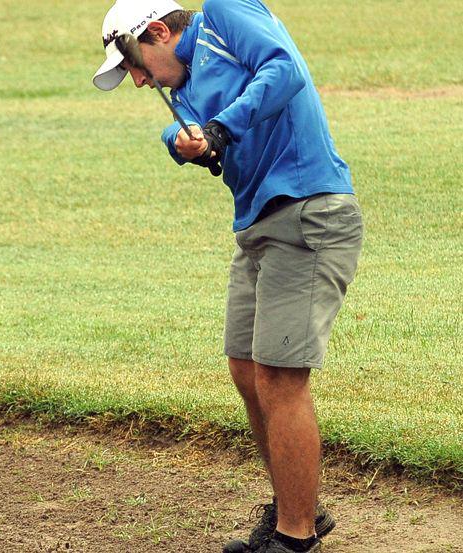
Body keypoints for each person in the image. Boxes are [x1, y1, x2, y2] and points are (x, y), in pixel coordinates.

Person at [92, 0, 364, 552]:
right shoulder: (185, 87)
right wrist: (185, 142)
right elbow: (181, 135)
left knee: (280, 377)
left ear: (160, 31)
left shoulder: (224, 15)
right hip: (260, 229)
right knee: (246, 369)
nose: (140, 81)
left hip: (310, 212)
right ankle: (298, 507)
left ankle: (294, 538)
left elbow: (283, 68)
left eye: (134, 64)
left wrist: (219, 128)